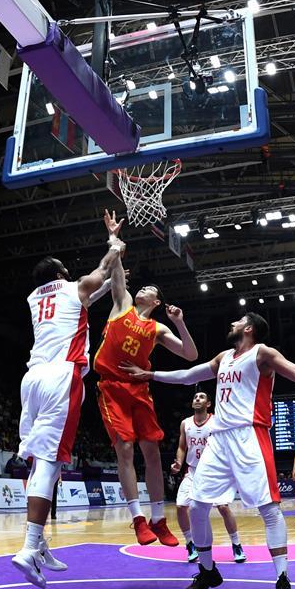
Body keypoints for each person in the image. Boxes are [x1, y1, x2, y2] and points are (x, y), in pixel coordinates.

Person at [122, 311, 295, 589]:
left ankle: (282, 580)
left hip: (249, 436)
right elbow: (191, 375)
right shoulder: (224, 357)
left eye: (238, 321)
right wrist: (152, 375)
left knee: (269, 508)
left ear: (249, 328)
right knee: (197, 505)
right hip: (219, 440)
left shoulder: (262, 353)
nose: (231, 323)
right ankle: (207, 570)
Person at [11, 211, 125, 589]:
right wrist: (113, 244)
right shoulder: (72, 287)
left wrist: (111, 273)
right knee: (50, 461)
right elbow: (99, 273)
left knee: (43, 463)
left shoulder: (34, 298)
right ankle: (28, 547)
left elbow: (96, 289)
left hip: (32, 380)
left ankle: (39, 542)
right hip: (62, 376)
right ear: (61, 273)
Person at [93, 233, 197, 547]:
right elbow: (115, 269)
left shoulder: (158, 328)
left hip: (138, 389)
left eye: (149, 290)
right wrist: (113, 239)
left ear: (156, 302)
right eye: (142, 287)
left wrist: (179, 323)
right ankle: (138, 519)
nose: (143, 289)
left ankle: (159, 520)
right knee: (124, 448)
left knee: (152, 454)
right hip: (112, 387)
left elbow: (190, 355)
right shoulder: (122, 303)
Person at [172, 389, 246, 563]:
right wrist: (178, 463)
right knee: (181, 507)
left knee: (223, 507)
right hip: (193, 471)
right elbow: (182, 447)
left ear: (209, 404)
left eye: (202, 397)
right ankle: (190, 543)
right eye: (195, 397)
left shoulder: (216, 422)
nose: (197, 399)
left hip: (214, 472)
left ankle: (236, 544)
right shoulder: (185, 423)